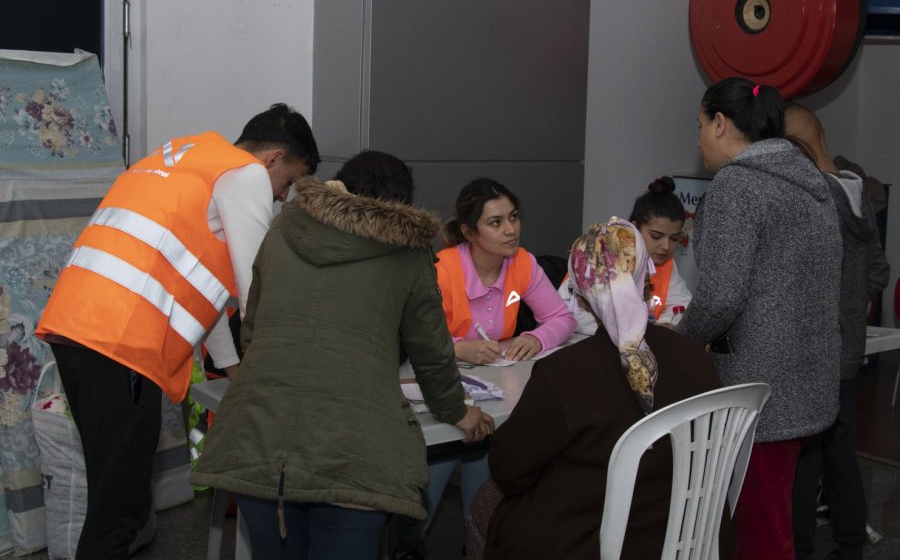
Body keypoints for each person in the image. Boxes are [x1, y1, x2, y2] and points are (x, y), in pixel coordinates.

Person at [34, 103, 319, 559]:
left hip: (77, 328)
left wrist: (229, 365)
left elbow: (206, 285)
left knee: (114, 492)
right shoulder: (245, 175)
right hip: (121, 341)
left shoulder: (183, 156)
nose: (282, 197)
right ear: (271, 159)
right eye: (288, 183)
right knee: (118, 509)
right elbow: (257, 286)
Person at [192, 151, 493, 560]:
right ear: (400, 206)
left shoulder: (282, 228)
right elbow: (432, 354)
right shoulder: (407, 253)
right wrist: (458, 411)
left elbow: (254, 327)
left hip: (259, 438)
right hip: (354, 451)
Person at [471, 218, 725, 559]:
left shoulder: (564, 374)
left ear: (582, 298)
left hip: (590, 542)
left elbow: (508, 469)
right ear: (647, 281)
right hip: (688, 535)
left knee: (487, 500)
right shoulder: (695, 359)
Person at [678, 77, 842, 560]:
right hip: (806, 380)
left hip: (759, 387)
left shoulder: (738, 185)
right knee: (773, 517)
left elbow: (722, 296)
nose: (700, 138)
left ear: (722, 123)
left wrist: (680, 341)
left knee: (760, 532)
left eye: (701, 125)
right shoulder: (812, 183)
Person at [395, 177, 576, 559]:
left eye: (513, 217)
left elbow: (562, 317)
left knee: (487, 468)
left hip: (495, 390)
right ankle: (409, 541)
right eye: (496, 222)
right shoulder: (441, 270)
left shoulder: (521, 263)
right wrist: (461, 348)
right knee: (437, 470)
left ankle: (474, 543)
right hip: (437, 391)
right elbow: (412, 337)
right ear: (468, 232)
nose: (510, 229)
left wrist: (537, 338)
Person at [786, 103, 890, 560]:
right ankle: (849, 545)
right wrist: (852, 310)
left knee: (804, 458)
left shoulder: (812, 199)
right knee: (840, 452)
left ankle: (799, 547)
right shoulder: (858, 192)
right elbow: (878, 272)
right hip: (847, 350)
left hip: (812, 350)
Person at [559, 176, 691, 334]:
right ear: (632, 229)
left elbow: (682, 307)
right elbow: (563, 311)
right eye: (656, 236)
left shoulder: (666, 265)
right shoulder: (597, 258)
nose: (666, 246)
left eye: (674, 238)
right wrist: (629, 331)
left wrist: (664, 326)